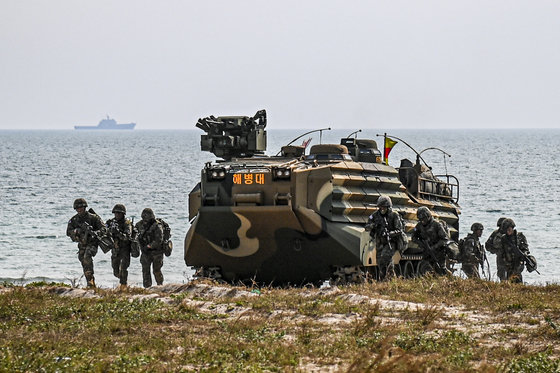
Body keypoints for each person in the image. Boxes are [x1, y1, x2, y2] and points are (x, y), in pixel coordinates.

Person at [66, 198, 106, 288]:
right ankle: (90, 280)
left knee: (87, 256)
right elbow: (68, 232)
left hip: (92, 243)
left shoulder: (93, 217)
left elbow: (104, 228)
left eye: (81, 207)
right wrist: (77, 231)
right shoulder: (74, 219)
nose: (79, 210)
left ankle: (90, 282)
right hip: (82, 244)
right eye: (77, 208)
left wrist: (96, 233)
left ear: (84, 207)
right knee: (82, 260)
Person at [366, 195, 408, 280]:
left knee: (385, 257)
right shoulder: (375, 215)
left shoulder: (394, 215)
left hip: (391, 242)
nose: (382, 209)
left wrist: (390, 233)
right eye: (380, 207)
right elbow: (367, 226)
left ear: (388, 207)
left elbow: (399, 230)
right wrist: (373, 226)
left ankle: (388, 278)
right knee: (380, 262)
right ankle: (387, 278)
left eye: (384, 207)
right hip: (379, 242)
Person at [492, 218, 535, 283]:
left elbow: (525, 247)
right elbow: (495, 244)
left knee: (517, 278)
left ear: (512, 228)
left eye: (509, 229)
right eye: (506, 230)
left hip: (518, 263)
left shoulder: (520, 236)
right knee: (509, 281)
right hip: (508, 264)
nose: (508, 231)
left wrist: (524, 253)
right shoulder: (503, 238)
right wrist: (500, 232)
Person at [412, 206, 450, 275]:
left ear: (428, 216)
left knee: (441, 270)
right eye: (420, 219)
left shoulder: (437, 225)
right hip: (427, 251)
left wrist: (434, 247)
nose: (422, 221)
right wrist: (421, 244)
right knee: (425, 268)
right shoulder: (419, 226)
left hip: (439, 252)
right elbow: (414, 237)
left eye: (423, 219)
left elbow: (445, 239)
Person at [105, 204, 135, 289]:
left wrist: (118, 233)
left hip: (125, 249)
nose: (117, 215)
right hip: (115, 249)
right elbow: (103, 231)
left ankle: (123, 285)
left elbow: (127, 237)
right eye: (116, 213)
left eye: (119, 213)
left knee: (124, 268)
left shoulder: (127, 223)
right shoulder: (110, 222)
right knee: (115, 270)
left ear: (123, 214)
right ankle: (122, 279)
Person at [135, 208, 165, 288]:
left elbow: (159, 240)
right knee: (145, 271)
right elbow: (134, 236)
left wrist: (149, 246)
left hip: (156, 252)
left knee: (156, 270)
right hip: (145, 252)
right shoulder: (139, 225)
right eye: (144, 218)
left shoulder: (157, 226)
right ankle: (147, 288)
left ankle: (160, 286)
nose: (145, 220)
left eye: (146, 217)